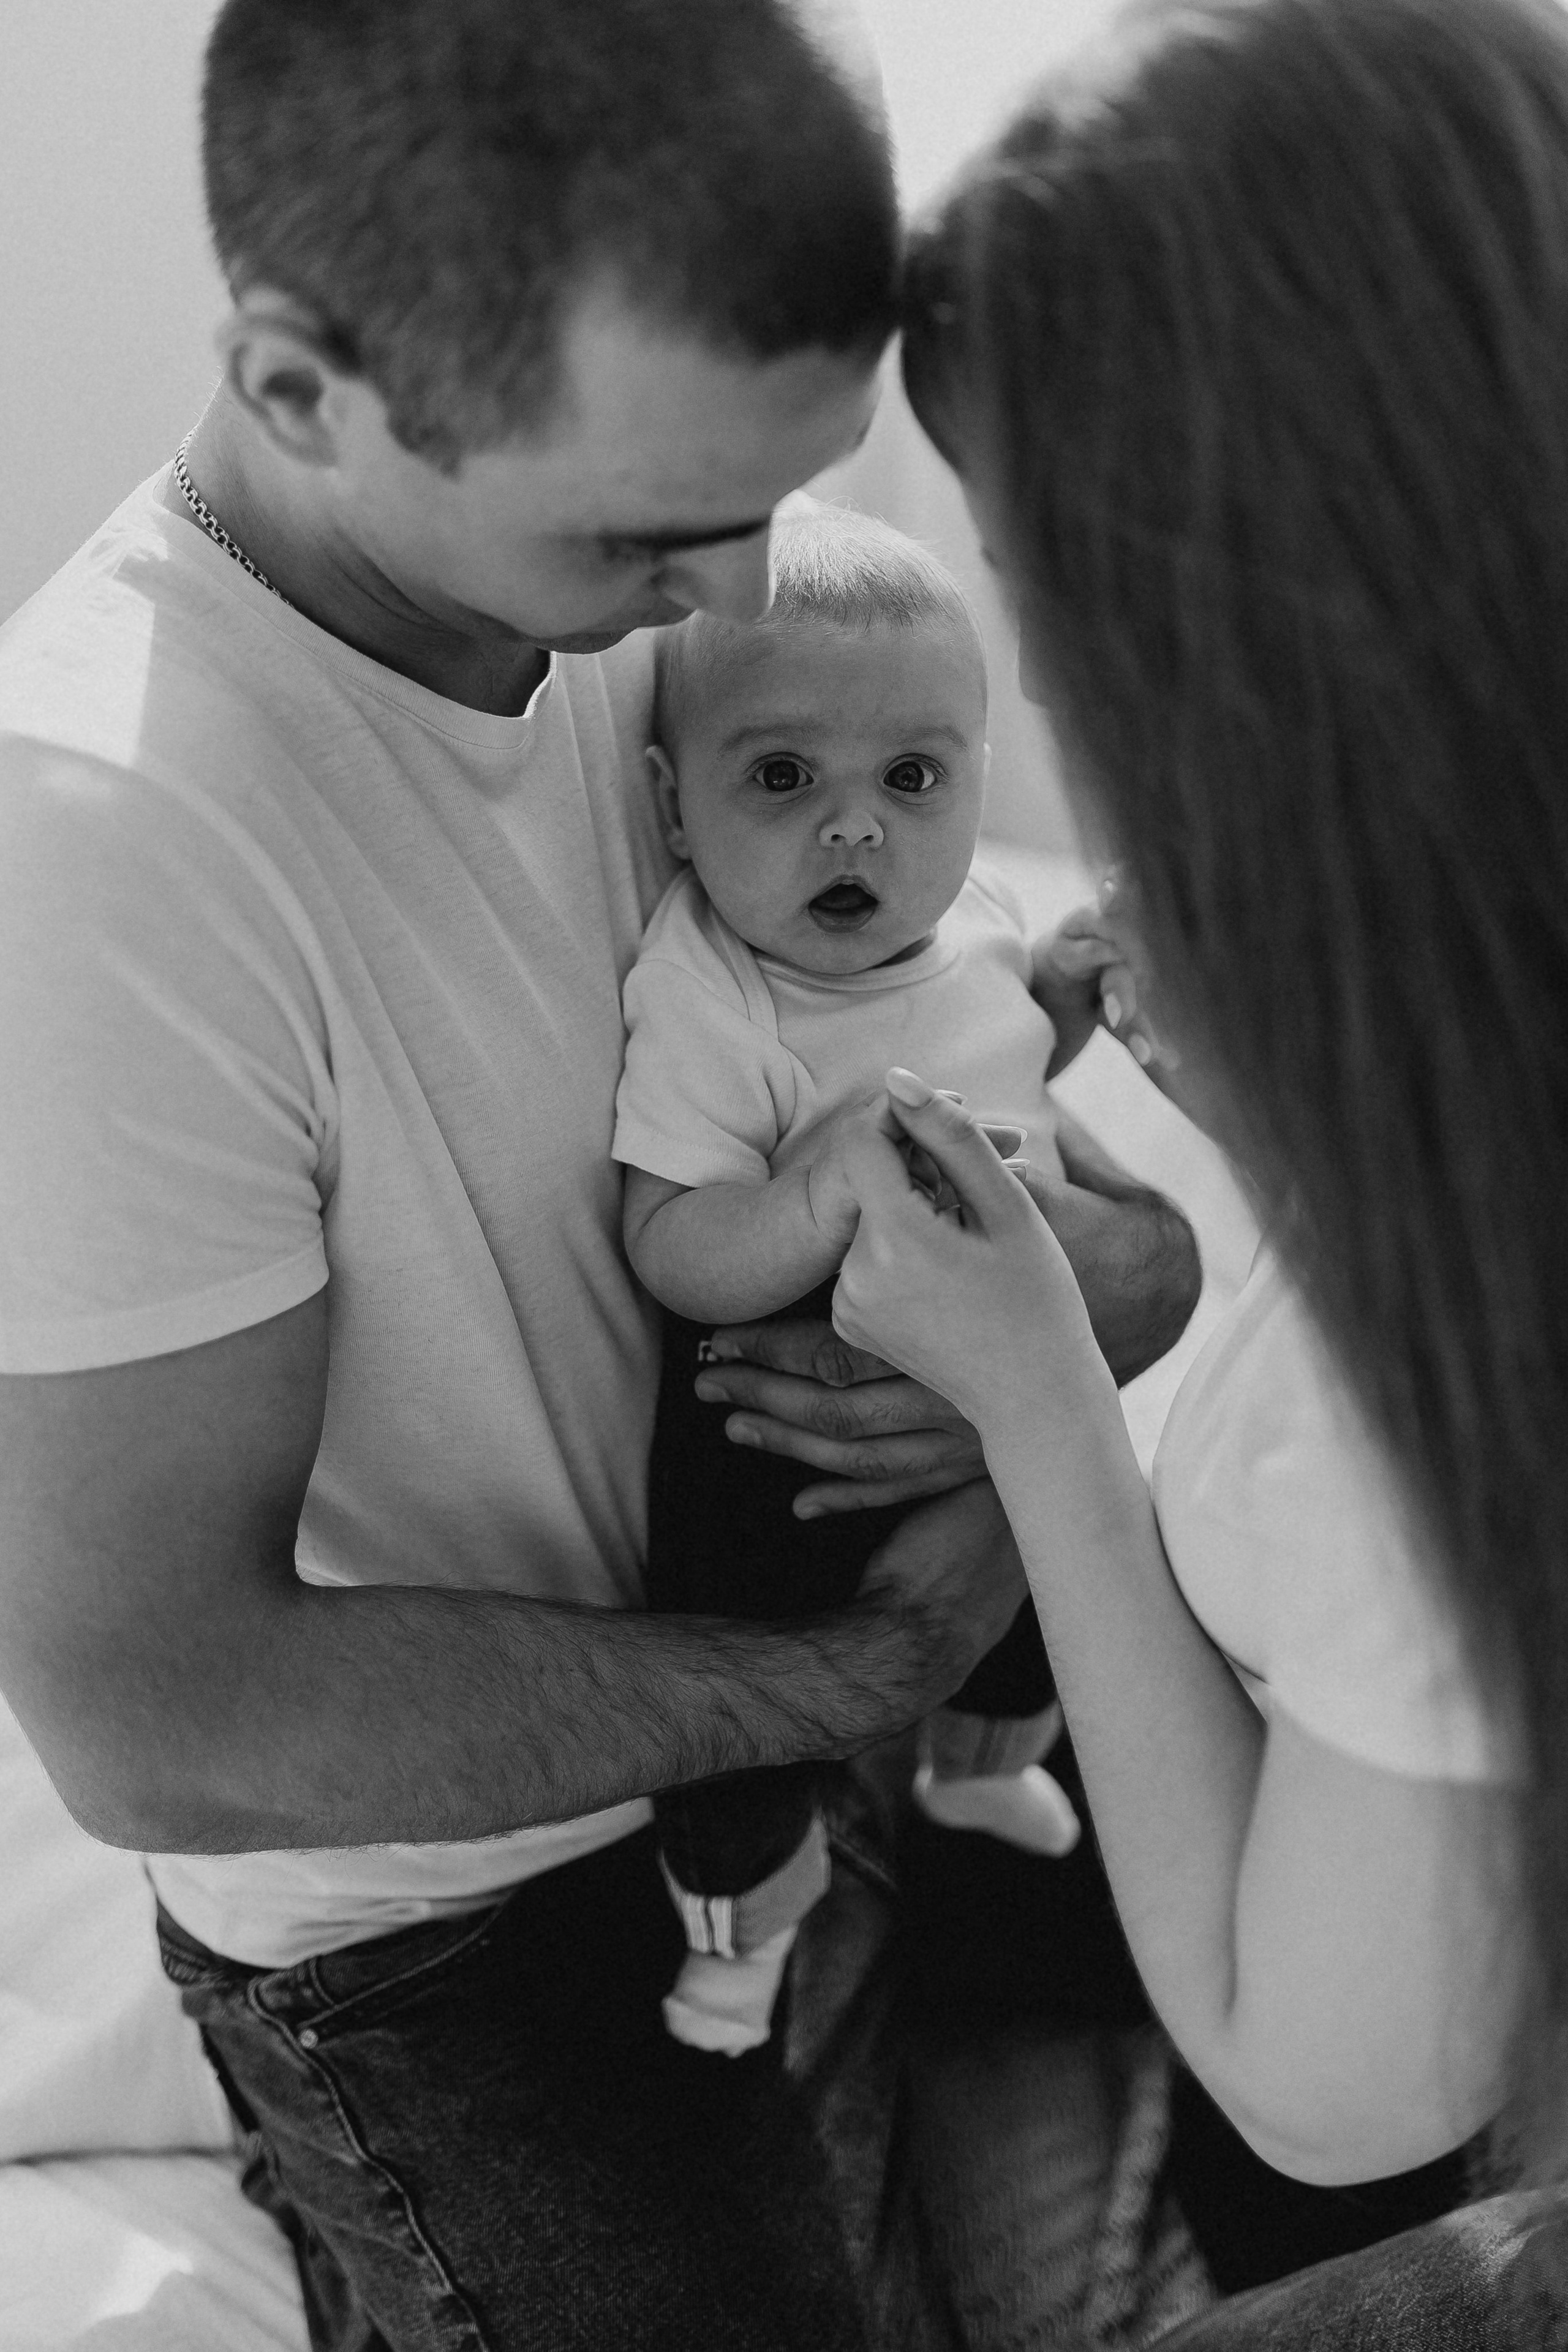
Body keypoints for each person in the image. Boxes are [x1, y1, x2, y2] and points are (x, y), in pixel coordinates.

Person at [0, 3, 1202, 2346]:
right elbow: (159, 1713)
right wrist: (860, 1657)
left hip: (843, 1738)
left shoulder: (687, 613)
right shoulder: (106, 841)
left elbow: (985, 1073)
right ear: (305, 378)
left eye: (784, 484)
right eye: (653, 525)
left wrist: (1112, 1295)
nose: (734, 582)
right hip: (468, 1937)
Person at [869, 0, 1568, 2338]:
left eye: (1029, 579)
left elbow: (1328, 2086)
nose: (1039, 694)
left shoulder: (1434, 1361)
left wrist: (1032, 1382)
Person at [616, 503, 1108, 2057]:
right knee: (748, 1681)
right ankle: (744, 1922)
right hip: (777, 1421)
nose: (855, 830)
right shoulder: (709, 988)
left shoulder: (972, 925)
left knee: (1068, 1575)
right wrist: (811, 1191)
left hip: (990, 1358)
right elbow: (669, 1247)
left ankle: (977, 1762)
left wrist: (1068, 1000)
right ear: (672, 805)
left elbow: (1004, 1072)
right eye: (781, 778)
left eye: (911, 778)